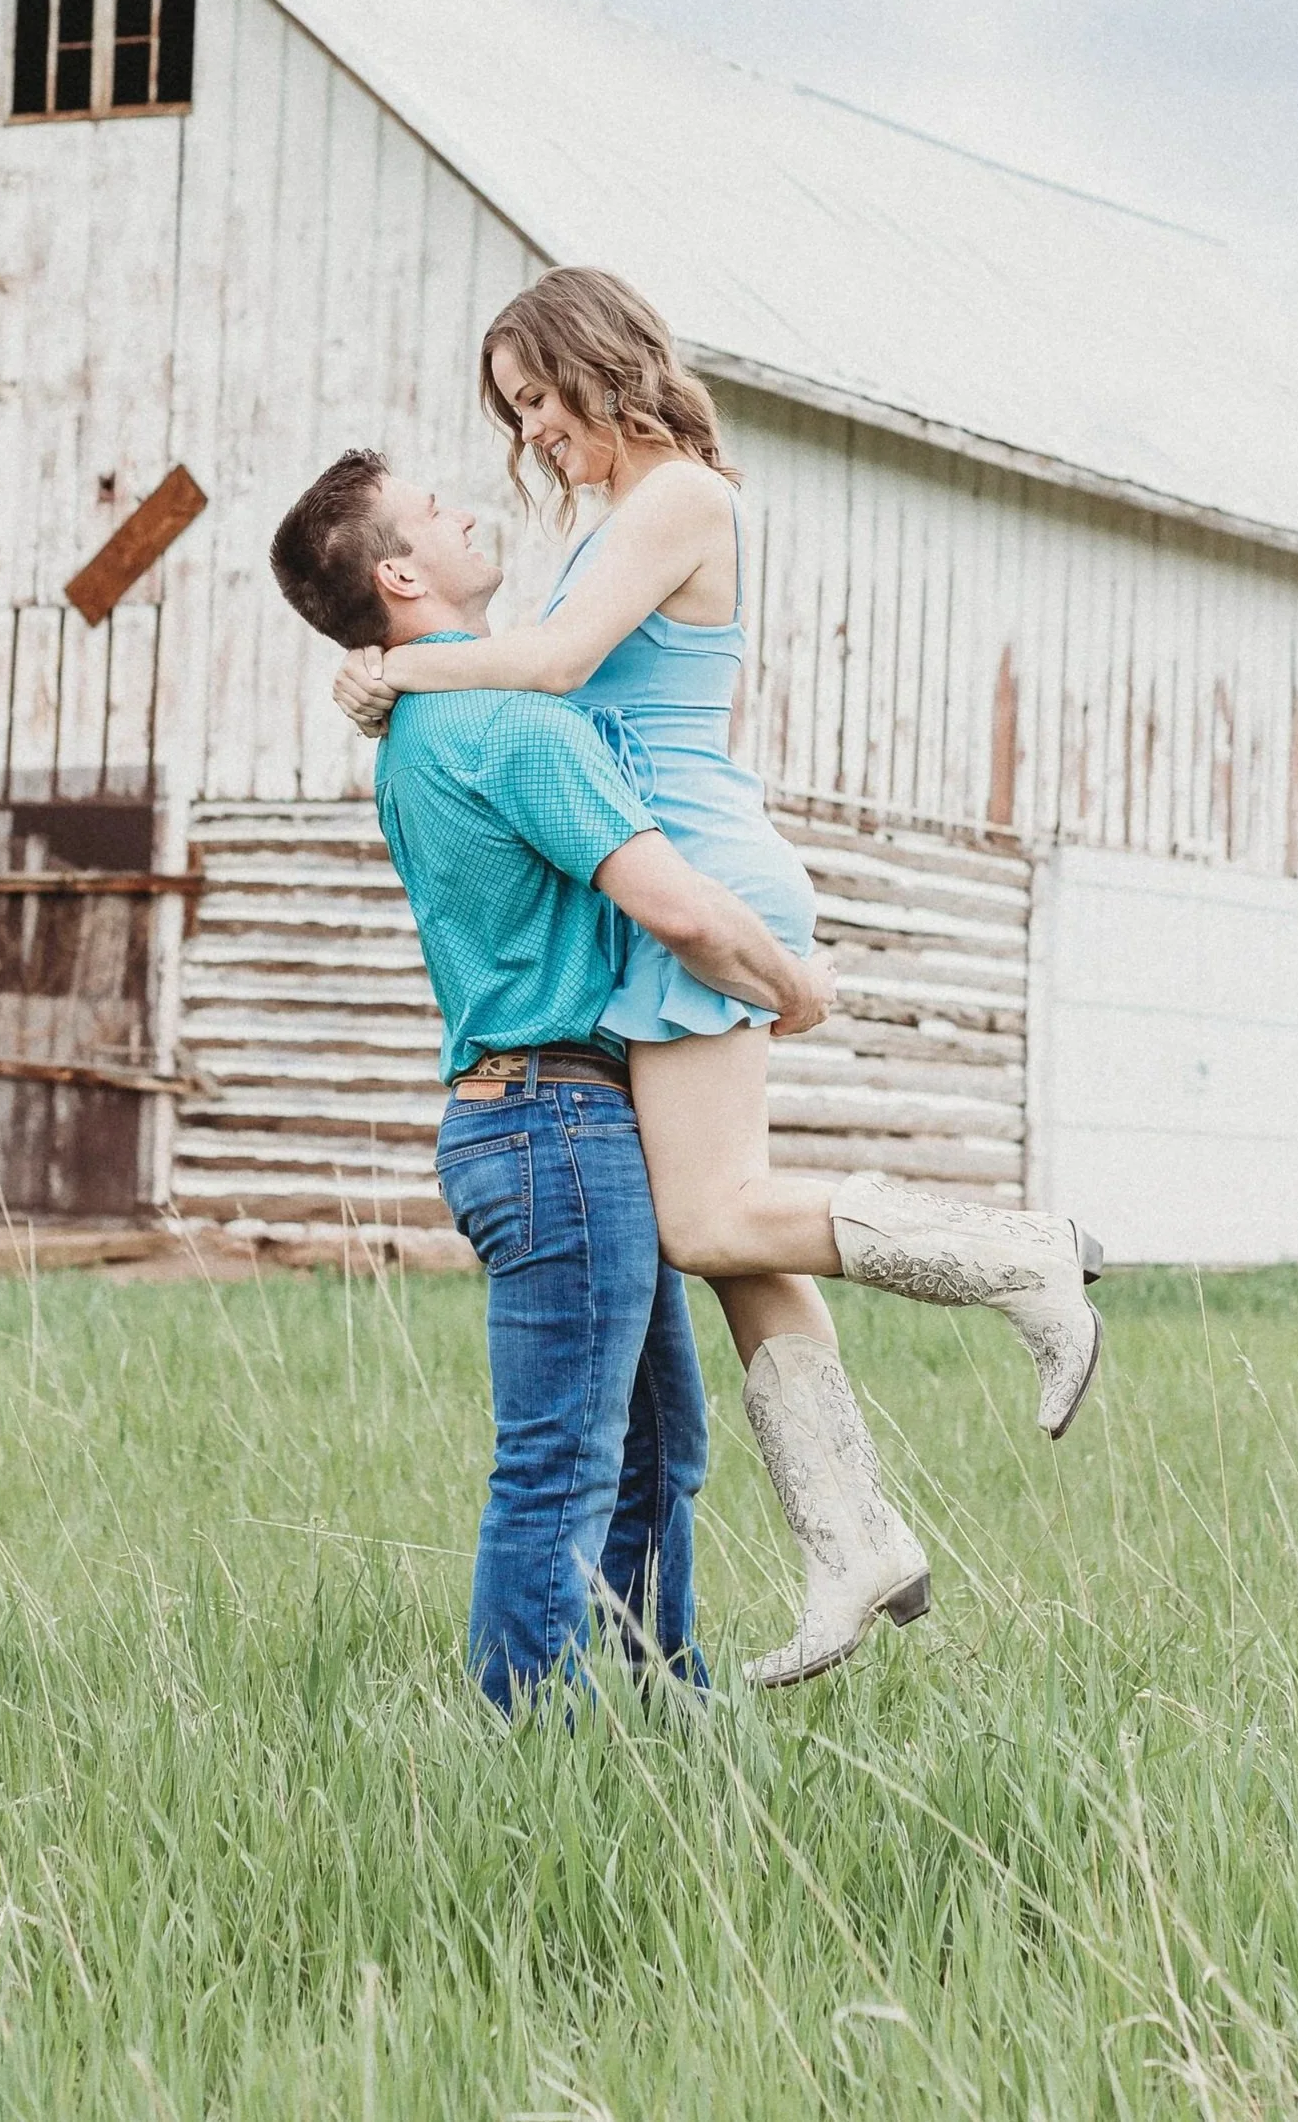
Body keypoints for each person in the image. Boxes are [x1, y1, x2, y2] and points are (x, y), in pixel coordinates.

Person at [332, 269, 1106, 1687]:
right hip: (652, 879)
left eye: (540, 400)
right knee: (731, 1234)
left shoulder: (681, 492)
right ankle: (848, 1538)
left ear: (597, 362)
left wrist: (399, 669)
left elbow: (556, 662)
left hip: (692, 869)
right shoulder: (605, 514)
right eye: (514, 414)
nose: (534, 434)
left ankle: (1018, 1258)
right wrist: (406, 672)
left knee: (707, 1215)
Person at [269, 446, 849, 1715]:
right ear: (402, 571)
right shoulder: (506, 719)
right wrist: (792, 985)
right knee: (565, 1465)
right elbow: (677, 905)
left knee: (650, 1453)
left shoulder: (427, 719)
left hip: (532, 1120)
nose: (468, 505)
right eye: (434, 508)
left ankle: (663, 1709)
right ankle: (522, 1743)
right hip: (557, 1124)